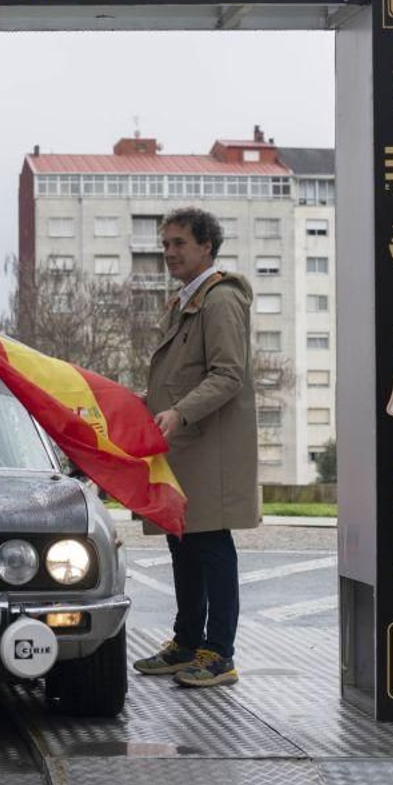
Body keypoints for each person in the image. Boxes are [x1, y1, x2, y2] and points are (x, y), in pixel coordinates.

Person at [133, 207, 257, 688]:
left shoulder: (220, 299)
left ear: (207, 246)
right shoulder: (186, 300)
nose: (168, 252)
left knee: (210, 546)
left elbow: (228, 374)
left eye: (179, 243)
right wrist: (140, 403)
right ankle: (186, 643)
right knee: (182, 543)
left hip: (208, 448)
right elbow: (180, 377)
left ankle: (219, 653)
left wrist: (180, 412)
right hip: (182, 447)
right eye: (165, 244)